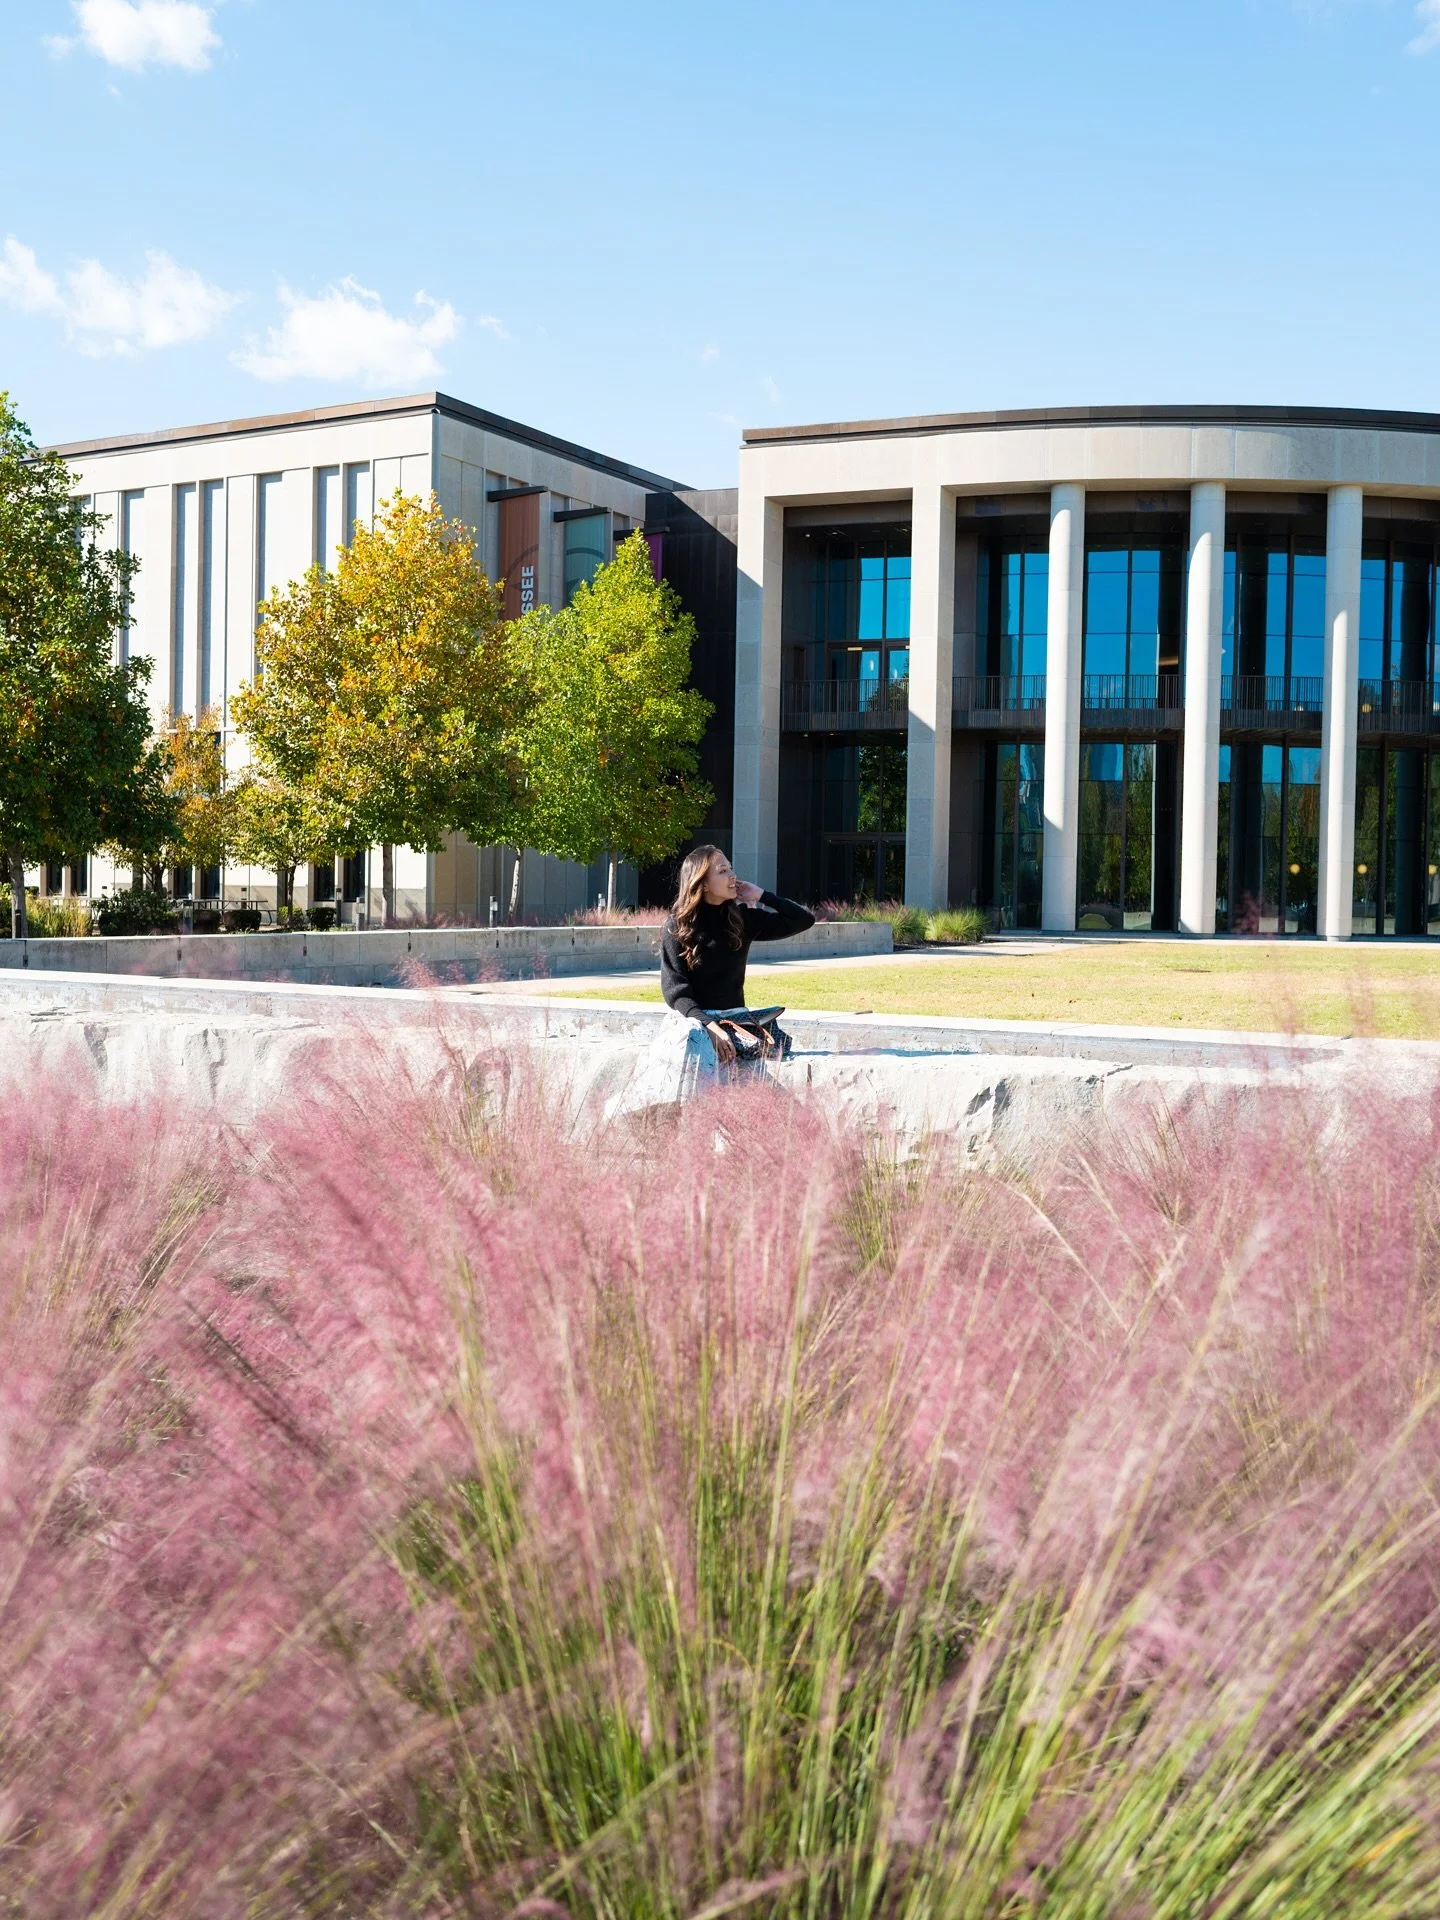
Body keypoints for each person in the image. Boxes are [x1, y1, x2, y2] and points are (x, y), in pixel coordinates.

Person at [660, 845, 815, 1063]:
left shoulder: (742, 920)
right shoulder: (677, 927)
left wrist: (763, 895)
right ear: (702, 883)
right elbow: (675, 992)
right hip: (695, 1023)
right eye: (723, 871)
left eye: (731, 869)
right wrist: (710, 1026)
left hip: (736, 1021)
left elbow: (804, 920)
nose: (733, 875)